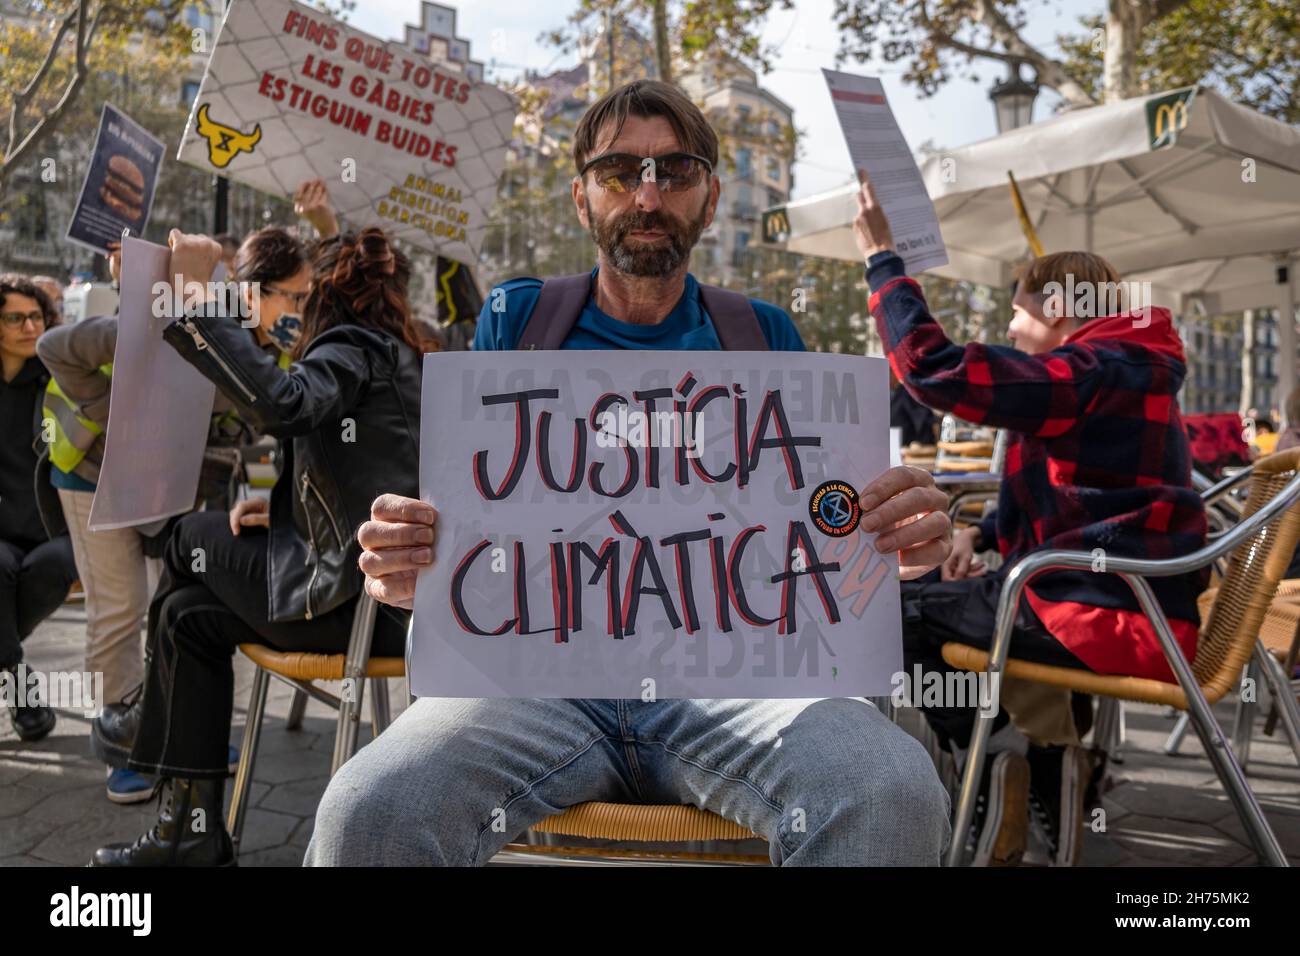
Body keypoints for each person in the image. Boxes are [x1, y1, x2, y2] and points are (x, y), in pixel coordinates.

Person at [305, 79, 954, 868]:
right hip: (533, 683)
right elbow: (468, 519)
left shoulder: (765, 334)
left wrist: (892, 529)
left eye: (675, 171)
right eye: (619, 171)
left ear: (710, 199)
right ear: (583, 199)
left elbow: (820, 515)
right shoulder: (518, 322)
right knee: (369, 807)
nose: (648, 194)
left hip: (738, 683)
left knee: (892, 788)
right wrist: (416, 567)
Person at [853, 170, 1208, 866]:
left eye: (1018, 312)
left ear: (1059, 310)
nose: (1011, 328)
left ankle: (992, 757)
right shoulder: (1129, 363)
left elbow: (932, 369)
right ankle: (1043, 761)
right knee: (946, 603)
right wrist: (980, 534)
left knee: (889, 612)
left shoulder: (1094, 368)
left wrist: (883, 263)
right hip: (1125, 601)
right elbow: (1090, 487)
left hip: (1104, 615)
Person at [88, 223, 423, 866]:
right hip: (378, 612)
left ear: (324, 296)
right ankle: (188, 836)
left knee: (185, 535)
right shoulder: (403, 352)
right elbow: (369, 478)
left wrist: (199, 297)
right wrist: (285, 512)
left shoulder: (354, 344)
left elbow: (284, 405)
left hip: (350, 609)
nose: (292, 313)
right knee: (187, 618)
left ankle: (140, 716)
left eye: (300, 298)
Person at [41, 231, 311, 803]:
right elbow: (55, 349)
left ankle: (178, 734)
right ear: (252, 293)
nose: (303, 310)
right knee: (119, 610)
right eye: (296, 296)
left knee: (174, 609)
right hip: (96, 477)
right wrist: (111, 412)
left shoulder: (257, 346)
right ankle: (123, 747)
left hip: (178, 485)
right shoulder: (137, 330)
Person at [0, 276, 78, 740]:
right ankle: (15, 674)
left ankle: (6, 655)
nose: (29, 326)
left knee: (52, 567)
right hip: (2, 533)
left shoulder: (60, 378)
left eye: (36, 317)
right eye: (15, 318)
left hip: (56, 527)